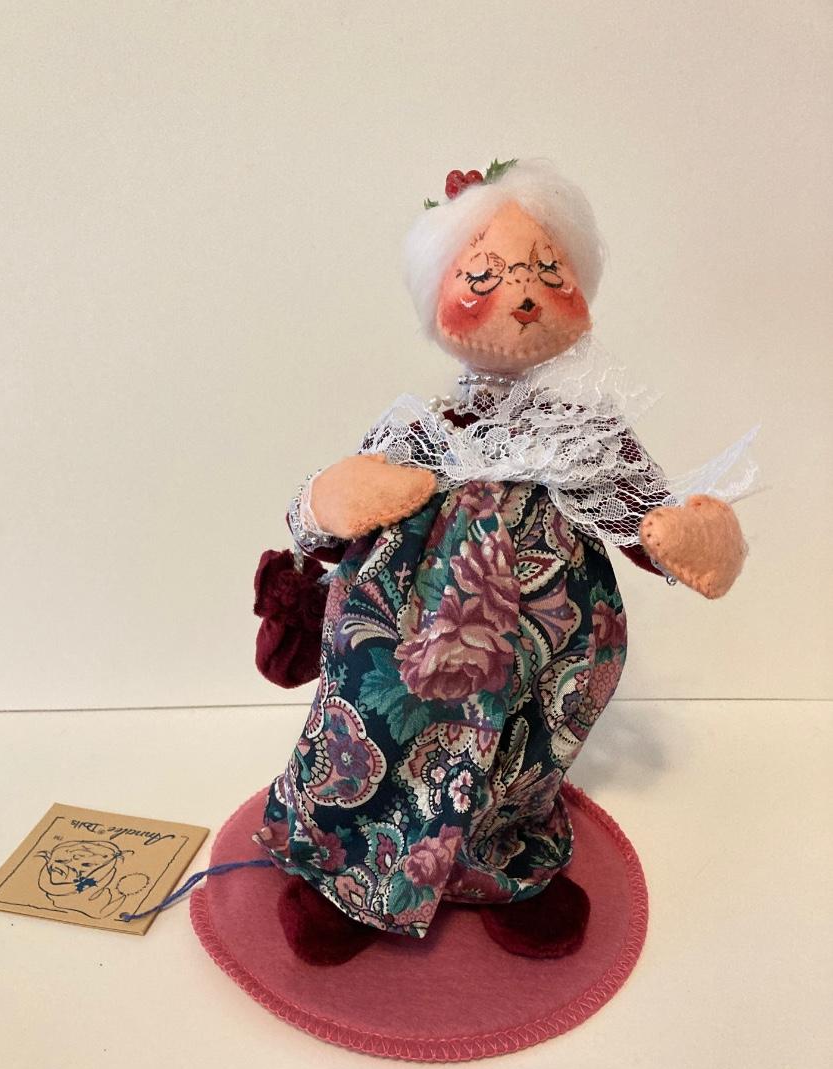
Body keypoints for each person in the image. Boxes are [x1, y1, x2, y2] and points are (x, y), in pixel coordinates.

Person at [254, 159, 751, 966]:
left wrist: (688, 538)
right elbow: (322, 515)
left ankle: (503, 862)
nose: (522, 297)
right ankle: (348, 865)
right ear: (437, 296)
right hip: (407, 625)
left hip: (546, 632)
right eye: (483, 277)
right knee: (374, 721)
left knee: (532, 736)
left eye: (550, 274)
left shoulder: (585, 435)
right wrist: (333, 501)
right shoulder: (422, 427)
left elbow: (643, 513)